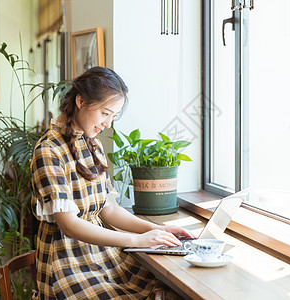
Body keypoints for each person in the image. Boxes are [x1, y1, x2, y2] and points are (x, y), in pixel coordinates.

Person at [30, 67, 194, 299]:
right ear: (80, 101)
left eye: (113, 116)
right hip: (67, 263)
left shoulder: (92, 145)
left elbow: (110, 210)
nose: (108, 124)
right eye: (105, 113)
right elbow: (69, 225)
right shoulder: (48, 151)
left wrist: (158, 229)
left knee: (168, 289)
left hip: (101, 256)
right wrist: (136, 240)